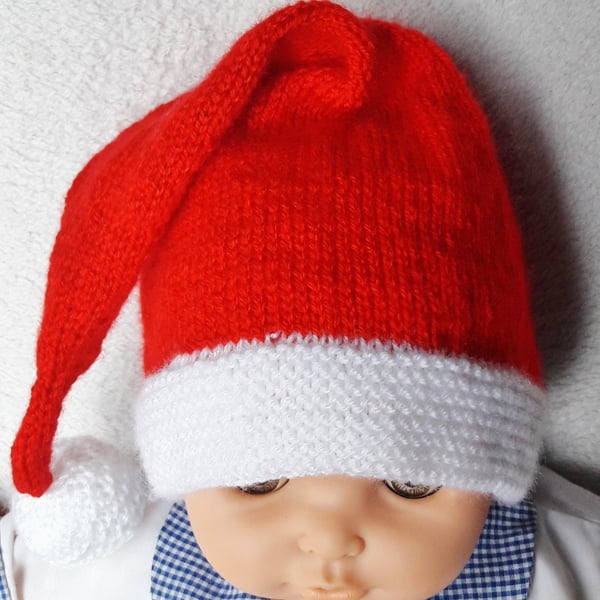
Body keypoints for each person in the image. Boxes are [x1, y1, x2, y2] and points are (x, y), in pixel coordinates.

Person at [2, 2, 599, 598]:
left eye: (410, 483)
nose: (330, 538)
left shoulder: (567, 569)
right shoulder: (112, 567)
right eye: (260, 481)